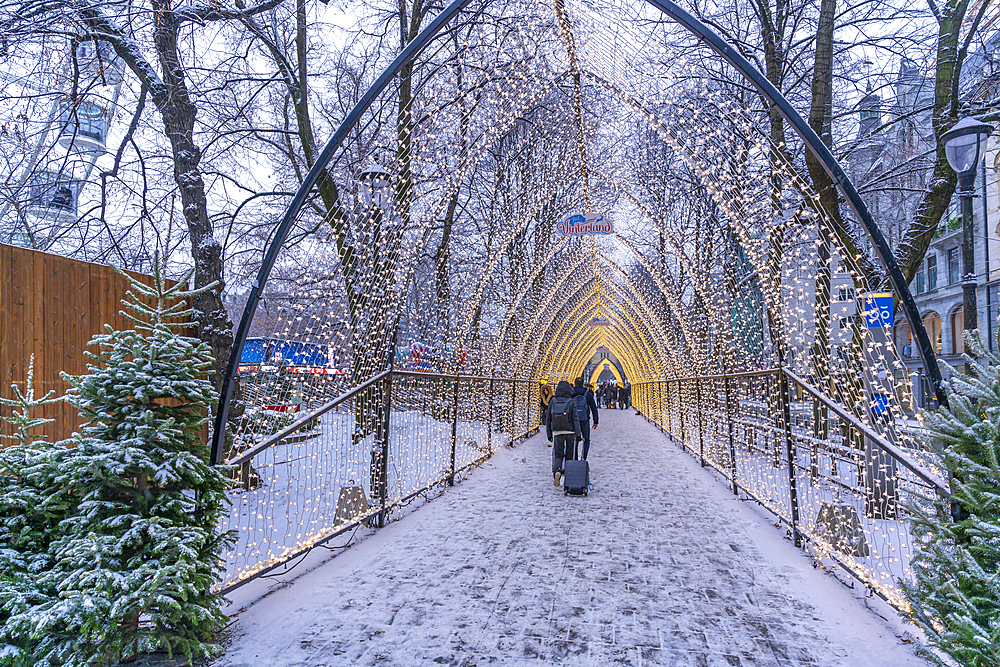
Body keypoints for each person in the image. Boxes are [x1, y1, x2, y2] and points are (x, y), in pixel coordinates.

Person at [546, 380, 581, 487]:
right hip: (570, 431)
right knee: (569, 454)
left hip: (557, 431)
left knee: (558, 453)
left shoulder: (553, 401)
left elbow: (548, 419)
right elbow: (575, 419)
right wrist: (578, 434)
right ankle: (569, 476)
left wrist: (549, 434)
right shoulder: (571, 402)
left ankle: (557, 471)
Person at [572, 377, 599, 460]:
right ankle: (584, 457)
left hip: (574, 420)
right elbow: (594, 408)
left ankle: (574, 457)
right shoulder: (588, 394)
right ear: (583, 384)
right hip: (585, 419)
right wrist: (596, 421)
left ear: (574, 384)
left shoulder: (571, 394)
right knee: (586, 439)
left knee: (574, 439)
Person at [539, 381, 554, 446]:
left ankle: (551, 439)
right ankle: (549, 439)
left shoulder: (552, 398)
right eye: (544, 390)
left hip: (551, 414)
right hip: (545, 414)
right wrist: (544, 409)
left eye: (546, 390)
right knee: (546, 427)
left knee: (551, 427)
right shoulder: (542, 398)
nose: (545, 392)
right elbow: (541, 405)